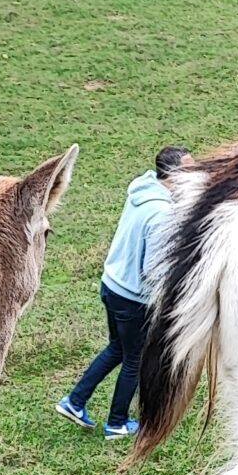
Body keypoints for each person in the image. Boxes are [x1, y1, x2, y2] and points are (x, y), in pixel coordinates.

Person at [57, 146, 190, 439]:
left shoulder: (141, 191)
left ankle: (74, 402)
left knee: (117, 348)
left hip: (112, 285)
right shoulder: (161, 213)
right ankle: (117, 422)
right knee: (135, 360)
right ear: (174, 174)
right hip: (133, 298)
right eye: (188, 170)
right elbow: (154, 268)